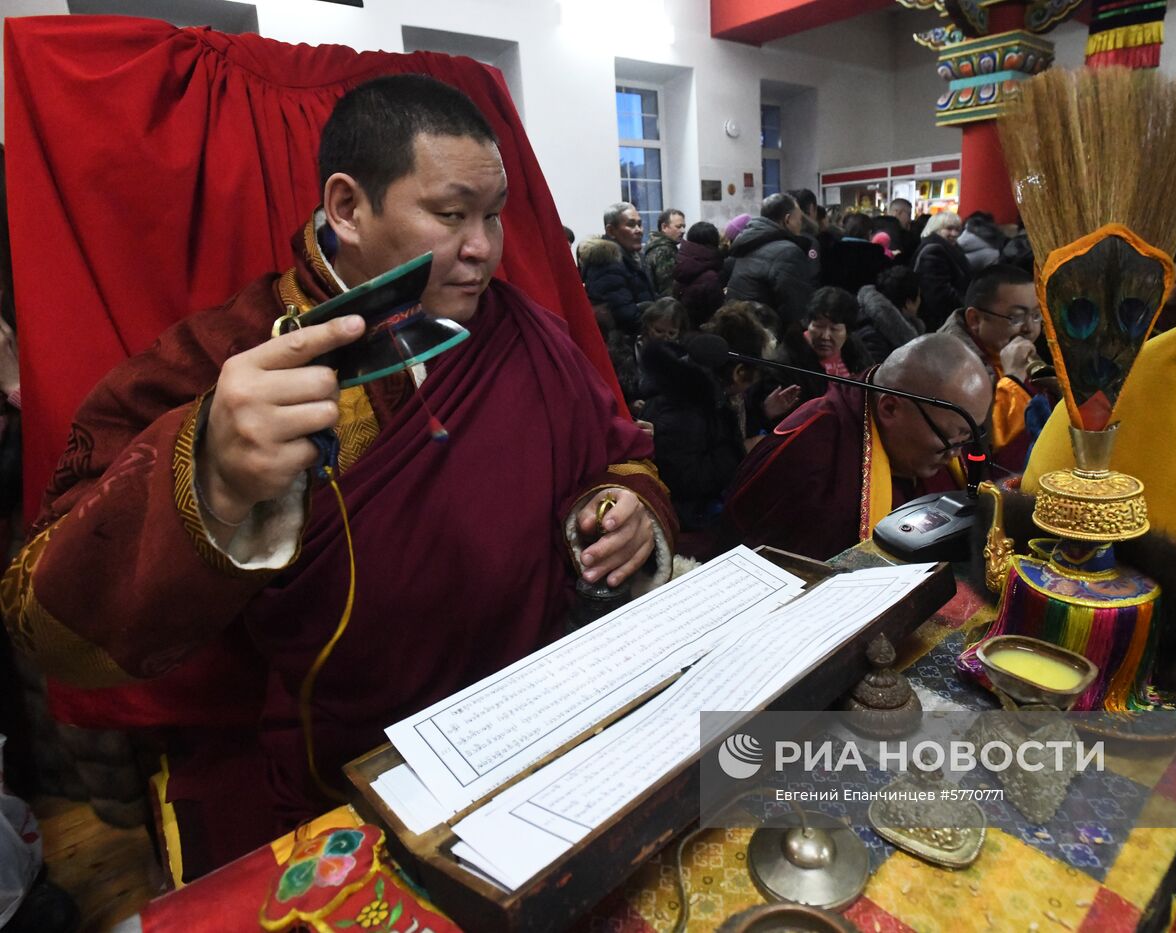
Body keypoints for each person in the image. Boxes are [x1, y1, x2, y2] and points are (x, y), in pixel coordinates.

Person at [1, 75, 678, 876]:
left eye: (494, 215)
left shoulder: (523, 330)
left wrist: (623, 506)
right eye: (451, 214)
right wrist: (211, 476)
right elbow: (47, 625)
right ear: (348, 207)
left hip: (539, 731)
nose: (484, 248)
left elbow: (620, 454)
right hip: (351, 779)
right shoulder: (232, 353)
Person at [720, 334, 992, 561]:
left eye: (969, 435)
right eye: (951, 438)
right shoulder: (811, 451)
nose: (957, 454)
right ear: (889, 407)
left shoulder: (940, 436)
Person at [641, 304, 769, 550]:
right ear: (739, 372)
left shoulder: (708, 392)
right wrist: (741, 450)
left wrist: (764, 413)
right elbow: (687, 480)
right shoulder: (687, 406)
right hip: (687, 524)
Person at [937, 264, 1040, 454]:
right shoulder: (949, 365)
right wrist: (1013, 380)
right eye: (1016, 318)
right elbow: (982, 445)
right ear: (975, 320)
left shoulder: (1012, 346)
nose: (1029, 329)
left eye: (1036, 316)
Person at [747, 287, 872, 436]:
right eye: (818, 326)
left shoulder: (855, 352)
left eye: (834, 329)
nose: (825, 336)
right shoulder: (784, 366)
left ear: (847, 331)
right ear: (808, 324)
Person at [726, 193, 819, 330]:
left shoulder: (747, 242)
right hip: (767, 335)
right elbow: (795, 308)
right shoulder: (788, 252)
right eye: (799, 219)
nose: (801, 225)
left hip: (741, 329)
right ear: (787, 220)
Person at [578, 202, 657, 334]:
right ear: (611, 231)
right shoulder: (605, 262)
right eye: (631, 225)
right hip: (625, 344)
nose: (639, 230)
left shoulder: (633, 257)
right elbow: (625, 315)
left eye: (639, 224)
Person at [610, 298, 687, 414]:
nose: (665, 337)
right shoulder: (624, 350)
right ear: (647, 325)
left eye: (671, 333)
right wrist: (628, 403)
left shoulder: (680, 360)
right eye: (659, 331)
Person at [913, 211, 972, 331]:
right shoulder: (934, 250)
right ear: (936, 229)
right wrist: (965, 306)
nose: (955, 233)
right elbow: (938, 293)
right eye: (949, 228)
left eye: (958, 229)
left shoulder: (946, 248)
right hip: (939, 320)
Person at [855, 265, 924, 363]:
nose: (920, 301)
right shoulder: (872, 335)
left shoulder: (907, 328)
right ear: (908, 303)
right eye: (919, 296)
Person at [822, 212, 890, 295]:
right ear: (869, 233)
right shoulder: (878, 257)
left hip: (837, 303)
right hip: (869, 304)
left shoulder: (830, 253)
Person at [672, 221, 725, 326]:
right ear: (714, 243)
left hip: (681, 327)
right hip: (703, 330)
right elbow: (718, 314)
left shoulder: (680, 262)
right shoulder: (710, 277)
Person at [644, 208, 685, 297]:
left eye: (683, 226)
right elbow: (668, 289)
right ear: (664, 227)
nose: (683, 231)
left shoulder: (653, 245)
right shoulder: (665, 251)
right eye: (678, 227)